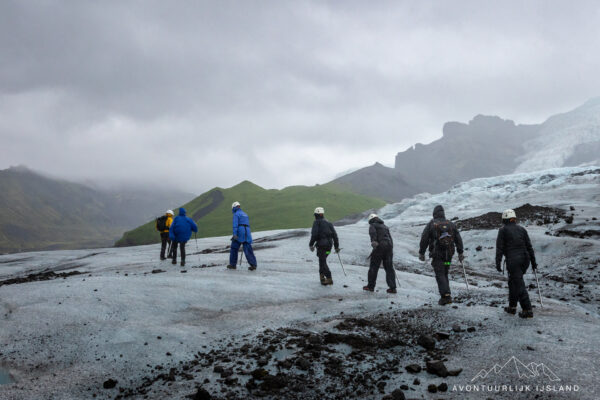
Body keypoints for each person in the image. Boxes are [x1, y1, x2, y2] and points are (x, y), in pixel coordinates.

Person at [419, 205, 464, 305]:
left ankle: (446, 296)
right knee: (445, 271)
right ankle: (446, 294)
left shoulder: (432, 224)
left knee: (440, 273)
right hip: (448, 255)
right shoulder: (450, 224)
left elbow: (424, 238)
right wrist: (460, 252)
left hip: (437, 254)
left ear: (434, 214)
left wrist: (421, 252)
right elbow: (458, 238)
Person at [495, 209, 537, 319]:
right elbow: (529, 247)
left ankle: (527, 310)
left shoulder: (503, 230)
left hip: (513, 260)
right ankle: (512, 307)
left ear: (504, 219)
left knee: (518, 284)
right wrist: (533, 263)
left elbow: (499, 248)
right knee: (513, 281)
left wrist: (498, 263)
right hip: (525, 260)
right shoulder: (522, 229)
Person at [363, 214, 397, 293]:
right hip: (389, 247)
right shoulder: (385, 226)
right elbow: (390, 238)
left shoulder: (373, 225)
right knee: (389, 268)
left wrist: (374, 241)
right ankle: (392, 288)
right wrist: (391, 248)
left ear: (371, 220)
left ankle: (370, 286)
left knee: (374, 267)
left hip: (379, 246)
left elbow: (373, 233)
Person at [309, 207, 340, 285]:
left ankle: (329, 279)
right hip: (329, 247)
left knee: (322, 261)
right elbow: (335, 235)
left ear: (316, 215)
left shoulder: (316, 222)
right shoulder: (329, 223)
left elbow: (314, 234)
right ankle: (322, 277)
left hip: (322, 246)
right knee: (322, 260)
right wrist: (336, 247)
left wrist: (311, 244)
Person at [227, 202, 258, 271]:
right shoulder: (245, 214)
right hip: (247, 232)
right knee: (247, 248)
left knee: (234, 247)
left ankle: (232, 264)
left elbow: (235, 225)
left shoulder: (236, 214)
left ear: (234, 207)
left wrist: (235, 234)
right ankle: (253, 265)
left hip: (240, 232)